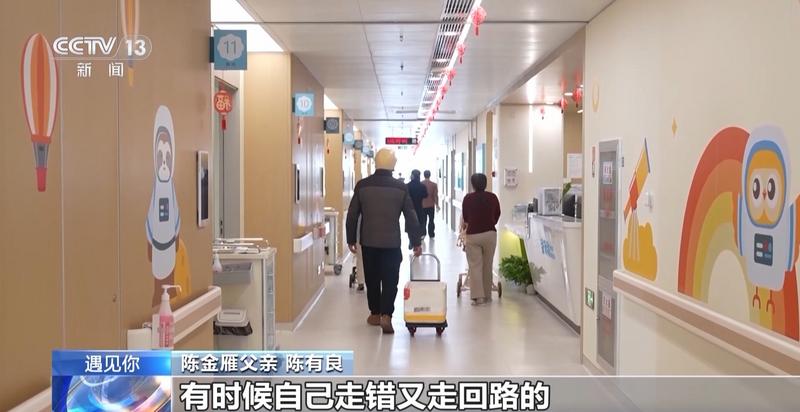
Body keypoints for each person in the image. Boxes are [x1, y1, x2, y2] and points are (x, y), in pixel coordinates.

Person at [347, 148, 423, 334]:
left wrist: (351, 239)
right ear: (393, 164)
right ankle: (386, 315)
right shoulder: (400, 187)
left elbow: (352, 214)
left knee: (372, 278)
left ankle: (374, 313)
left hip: (369, 241)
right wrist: (416, 241)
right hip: (391, 243)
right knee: (390, 279)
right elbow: (411, 217)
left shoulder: (362, 185)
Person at [461, 173, 501, 306]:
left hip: (473, 235)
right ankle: (488, 295)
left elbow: (466, 217)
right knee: (488, 265)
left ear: (473, 184)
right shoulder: (493, 197)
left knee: (475, 266)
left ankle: (478, 297)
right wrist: (490, 223)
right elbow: (497, 214)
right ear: (485, 183)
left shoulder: (468, 198)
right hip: (490, 234)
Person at [406, 169, 428, 247]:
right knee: (420, 223)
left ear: (412, 176)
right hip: (419, 208)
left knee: (410, 225)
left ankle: (411, 240)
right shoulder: (422, 186)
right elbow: (426, 195)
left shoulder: (407, 186)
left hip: (410, 208)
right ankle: (418, 241)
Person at [421, 170, 439, 239]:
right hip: (431, 205)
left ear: (424, 175)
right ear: (430, 175)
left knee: (423, 220)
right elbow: (435, 196)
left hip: (422, 205)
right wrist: (437, 205)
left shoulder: (421, 184)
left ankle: (423, 233)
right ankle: (431, 234)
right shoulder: (434, 185)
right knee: (431, 220)